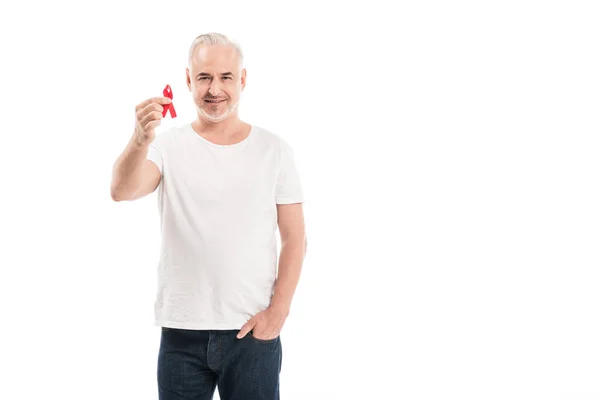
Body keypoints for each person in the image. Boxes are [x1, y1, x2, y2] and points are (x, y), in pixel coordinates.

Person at [110, 32, 307, 400]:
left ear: (242, 80)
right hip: (182, 333)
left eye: (225, 77)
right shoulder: (166, 146)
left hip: (251, 333)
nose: (214, 89)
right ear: (189, 80)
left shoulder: (274, 150)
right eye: (204, 78)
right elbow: (121, 190)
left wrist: (278, 313)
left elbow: (295, 238)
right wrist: (139, 138)